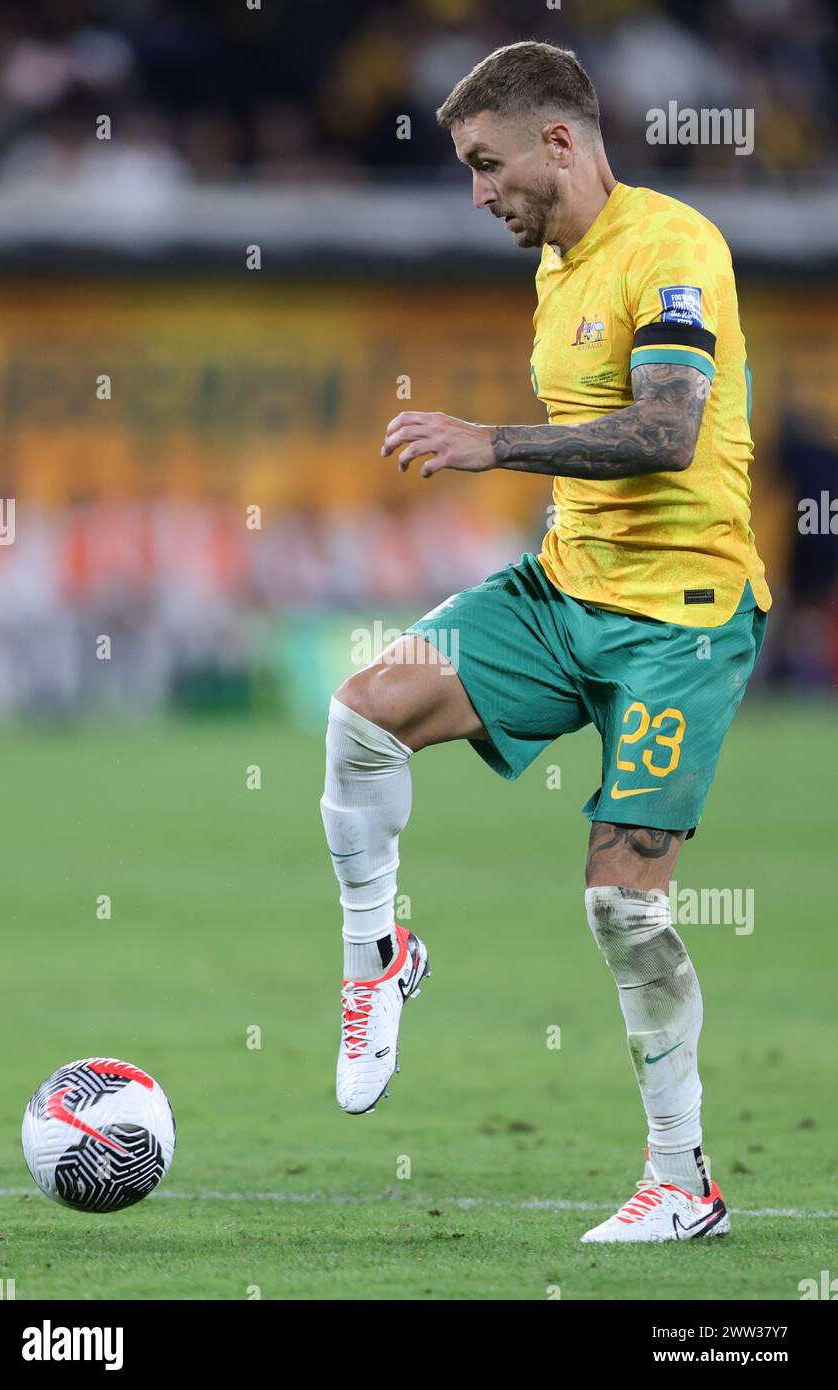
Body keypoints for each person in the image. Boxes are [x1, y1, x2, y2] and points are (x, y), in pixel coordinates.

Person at [320, 40, 770, 1243]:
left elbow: (668, 432)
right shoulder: (558, 265)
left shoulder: (671, 247)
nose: (476, 194)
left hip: (679, 617)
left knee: (623, 909)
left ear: (558, 142)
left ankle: (682, 1182)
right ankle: (379, 954)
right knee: (364, 710)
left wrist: (492, 443)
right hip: (565, 587)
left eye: (484, 165)